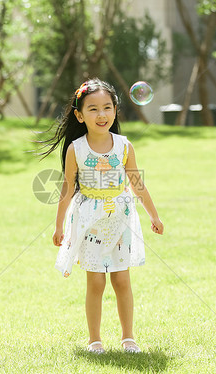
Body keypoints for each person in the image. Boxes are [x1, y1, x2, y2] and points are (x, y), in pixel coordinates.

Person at [37, 78, 164, 354]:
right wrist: (59, 226)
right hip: (90, 221)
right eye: (93, 109)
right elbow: (67, 189)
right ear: (80, 115)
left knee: (121, 279)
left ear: (116, 111)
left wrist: (153, 215)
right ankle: (95, 340)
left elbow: (136, 183)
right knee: (95, 281)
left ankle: (128, 337)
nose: (101, 114)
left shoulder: (124, 146)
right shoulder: (76, 149)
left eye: (107, 107)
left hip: (120, 219)